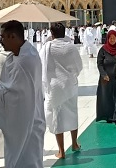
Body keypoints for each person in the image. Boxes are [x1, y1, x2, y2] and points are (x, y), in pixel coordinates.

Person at [0, 20, 45, 168]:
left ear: (12, 36)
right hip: (22, 122)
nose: (0, 41)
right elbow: (13, 87)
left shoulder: (25, 61)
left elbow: (20, 97)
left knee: (27, 162)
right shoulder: (19, 55)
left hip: (28, 123)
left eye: (3, 37)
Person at [40, 23, 83, 159]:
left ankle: (61, 151)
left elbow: (40, 65)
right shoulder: (71, 47)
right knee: (72, 113)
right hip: (69, 85)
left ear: (51, 33)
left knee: (57, 117)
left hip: (54, 86)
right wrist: (71, 75)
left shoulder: (47, 47)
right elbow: (79, 66)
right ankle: (75, 144)